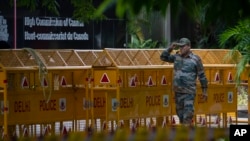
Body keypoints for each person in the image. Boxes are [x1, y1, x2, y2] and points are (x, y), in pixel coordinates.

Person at [160, 37, 208, 126]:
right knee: (181, 117)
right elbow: (163, 57)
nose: (181, 49)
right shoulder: (176, 57)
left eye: (183, 47)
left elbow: (202, 76)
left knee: (187, 117)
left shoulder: (195, 59)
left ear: (189, 46)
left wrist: (204, 91)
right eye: (180, 47)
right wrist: (170, 48)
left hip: (189, 92)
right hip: (178, 92)